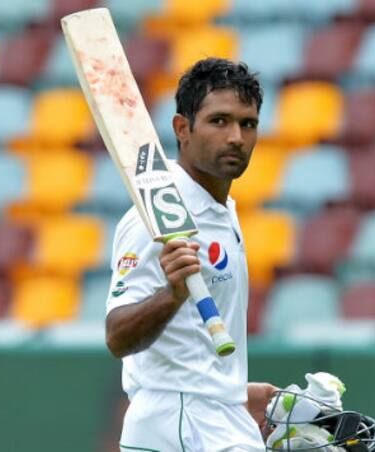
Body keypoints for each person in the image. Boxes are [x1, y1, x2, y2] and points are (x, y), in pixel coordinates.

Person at [105, 57, 277, 452]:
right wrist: (173, 294)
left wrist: (235, 392)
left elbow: (190, 349)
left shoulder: (221, 208)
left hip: (213, 416)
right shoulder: (150, 220)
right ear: (182, 129)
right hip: (180, 424)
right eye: (219, 121)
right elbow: (117, 336)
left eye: (247, 123)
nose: (236, 136)